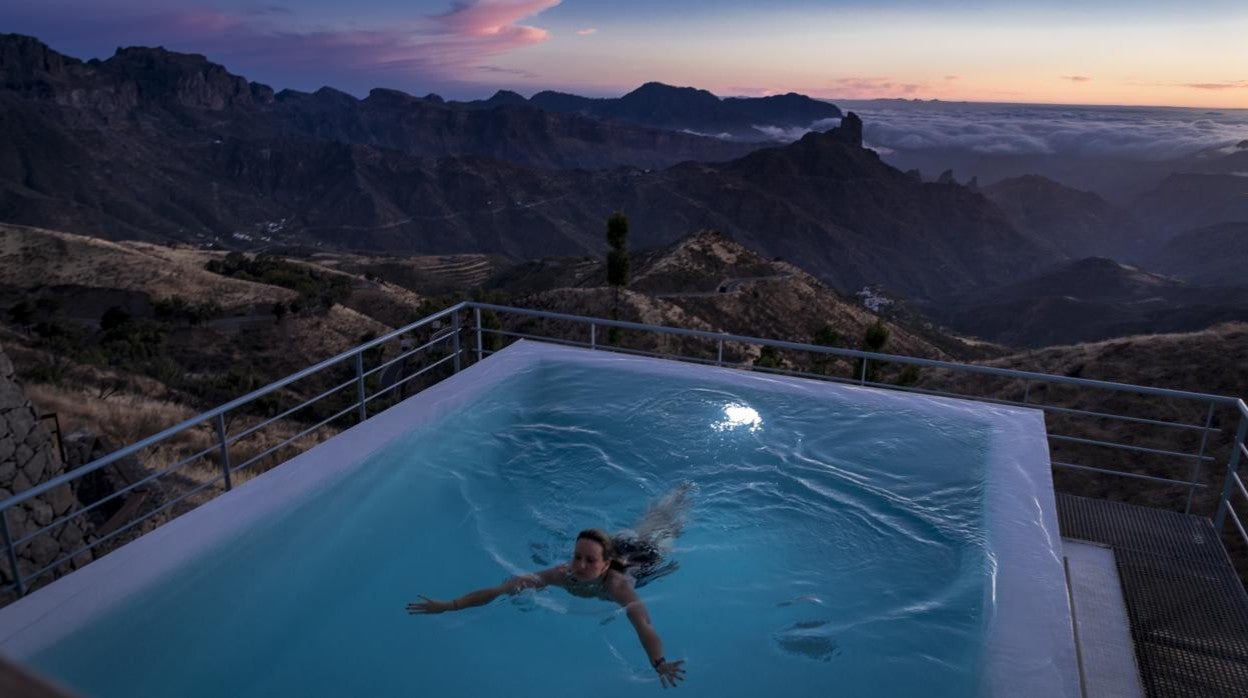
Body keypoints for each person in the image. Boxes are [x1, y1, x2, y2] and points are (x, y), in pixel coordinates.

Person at [407, 485, 692, 688]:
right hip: (617, 547)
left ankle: (683, 494)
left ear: (604, 565)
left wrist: (659, 663)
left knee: (667, 530)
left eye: (589, 561)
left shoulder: (618, 588)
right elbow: (501, 590)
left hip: (645, 559)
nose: (579, 566)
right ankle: (674, 496)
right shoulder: (562, 574)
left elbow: (644, 625)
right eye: (576, 557)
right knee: (647, 522)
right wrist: (450, 606)